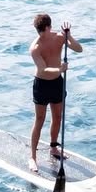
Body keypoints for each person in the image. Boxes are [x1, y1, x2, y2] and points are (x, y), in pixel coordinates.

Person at [29, 14, 83, 172]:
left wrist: (69, 37)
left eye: (42, 30)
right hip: (41, 84)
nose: (40, 34)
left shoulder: (59, 38)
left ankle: (53, 147)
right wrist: (59, 68)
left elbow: (79, 49)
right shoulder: (35, 48)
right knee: (39, 119)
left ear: (48, 28)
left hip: (57, 83)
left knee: (57, 116)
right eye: (38, 31)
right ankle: (32, 157)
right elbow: (42, 69)